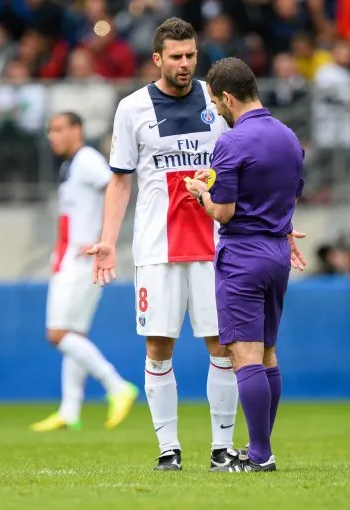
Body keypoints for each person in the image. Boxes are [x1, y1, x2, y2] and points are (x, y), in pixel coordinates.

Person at [87, 17, 240, 472]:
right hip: (157, 248)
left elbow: (239, 167)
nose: (186, 64)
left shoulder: (217, 103)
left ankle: (221, 449)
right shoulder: (132, 108)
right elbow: (119, 182)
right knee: (158, 347)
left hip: (214, 245)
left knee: (222, 345)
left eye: (191, 55)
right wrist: (108, 242)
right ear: (157, 59)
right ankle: (168, 450)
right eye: (176, 57)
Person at [184, 57, 306, 472]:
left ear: (228, 97)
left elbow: (224, 213)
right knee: (268, 354)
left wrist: (201, 191)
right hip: (277, 253)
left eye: (217, 102)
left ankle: (259, 456)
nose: (217, 109)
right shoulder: (289, 137)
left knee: (244, 355)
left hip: (243, 254)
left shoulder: (231, 142)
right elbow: (289, 192)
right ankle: (260, 448)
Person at [31, 112, 138, 432]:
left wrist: (102, 238)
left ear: (78, 130)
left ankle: (116, 386)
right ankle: (70, 409)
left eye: (59, 128)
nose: (53, 135)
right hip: (70, 260)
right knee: (74, 336)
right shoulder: (71, 165)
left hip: (81, 261)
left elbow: (115, 186)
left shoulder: (88, 159)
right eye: (50, 129)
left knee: (58, 334)